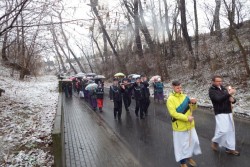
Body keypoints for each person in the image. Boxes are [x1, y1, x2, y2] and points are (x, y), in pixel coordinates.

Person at [167, 80, 201, 167]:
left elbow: (192, 108)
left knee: (193, 141)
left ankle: (188, 156)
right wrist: (186, 118)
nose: (179, 89)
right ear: (173, 87)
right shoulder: (170, 99)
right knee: (181, 146)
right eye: (177, 88)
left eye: (180, 87)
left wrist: (194, 103)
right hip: (179, 127)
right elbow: (173, 114)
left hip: (190, 125)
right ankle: (183, 163)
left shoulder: (185, 97)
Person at [209, 75, 240, 156]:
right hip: (220, 112)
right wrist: (228, 94)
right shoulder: (211, 90)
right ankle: (215, 141)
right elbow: (218, 100)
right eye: (217, 81)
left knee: (230, 131)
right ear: (213, 82)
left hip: (228, 111)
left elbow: (229, 98)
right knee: (223, 130)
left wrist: (233, 100)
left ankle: (230, 148)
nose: (220, 82)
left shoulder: (223, 89)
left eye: (220, 81)